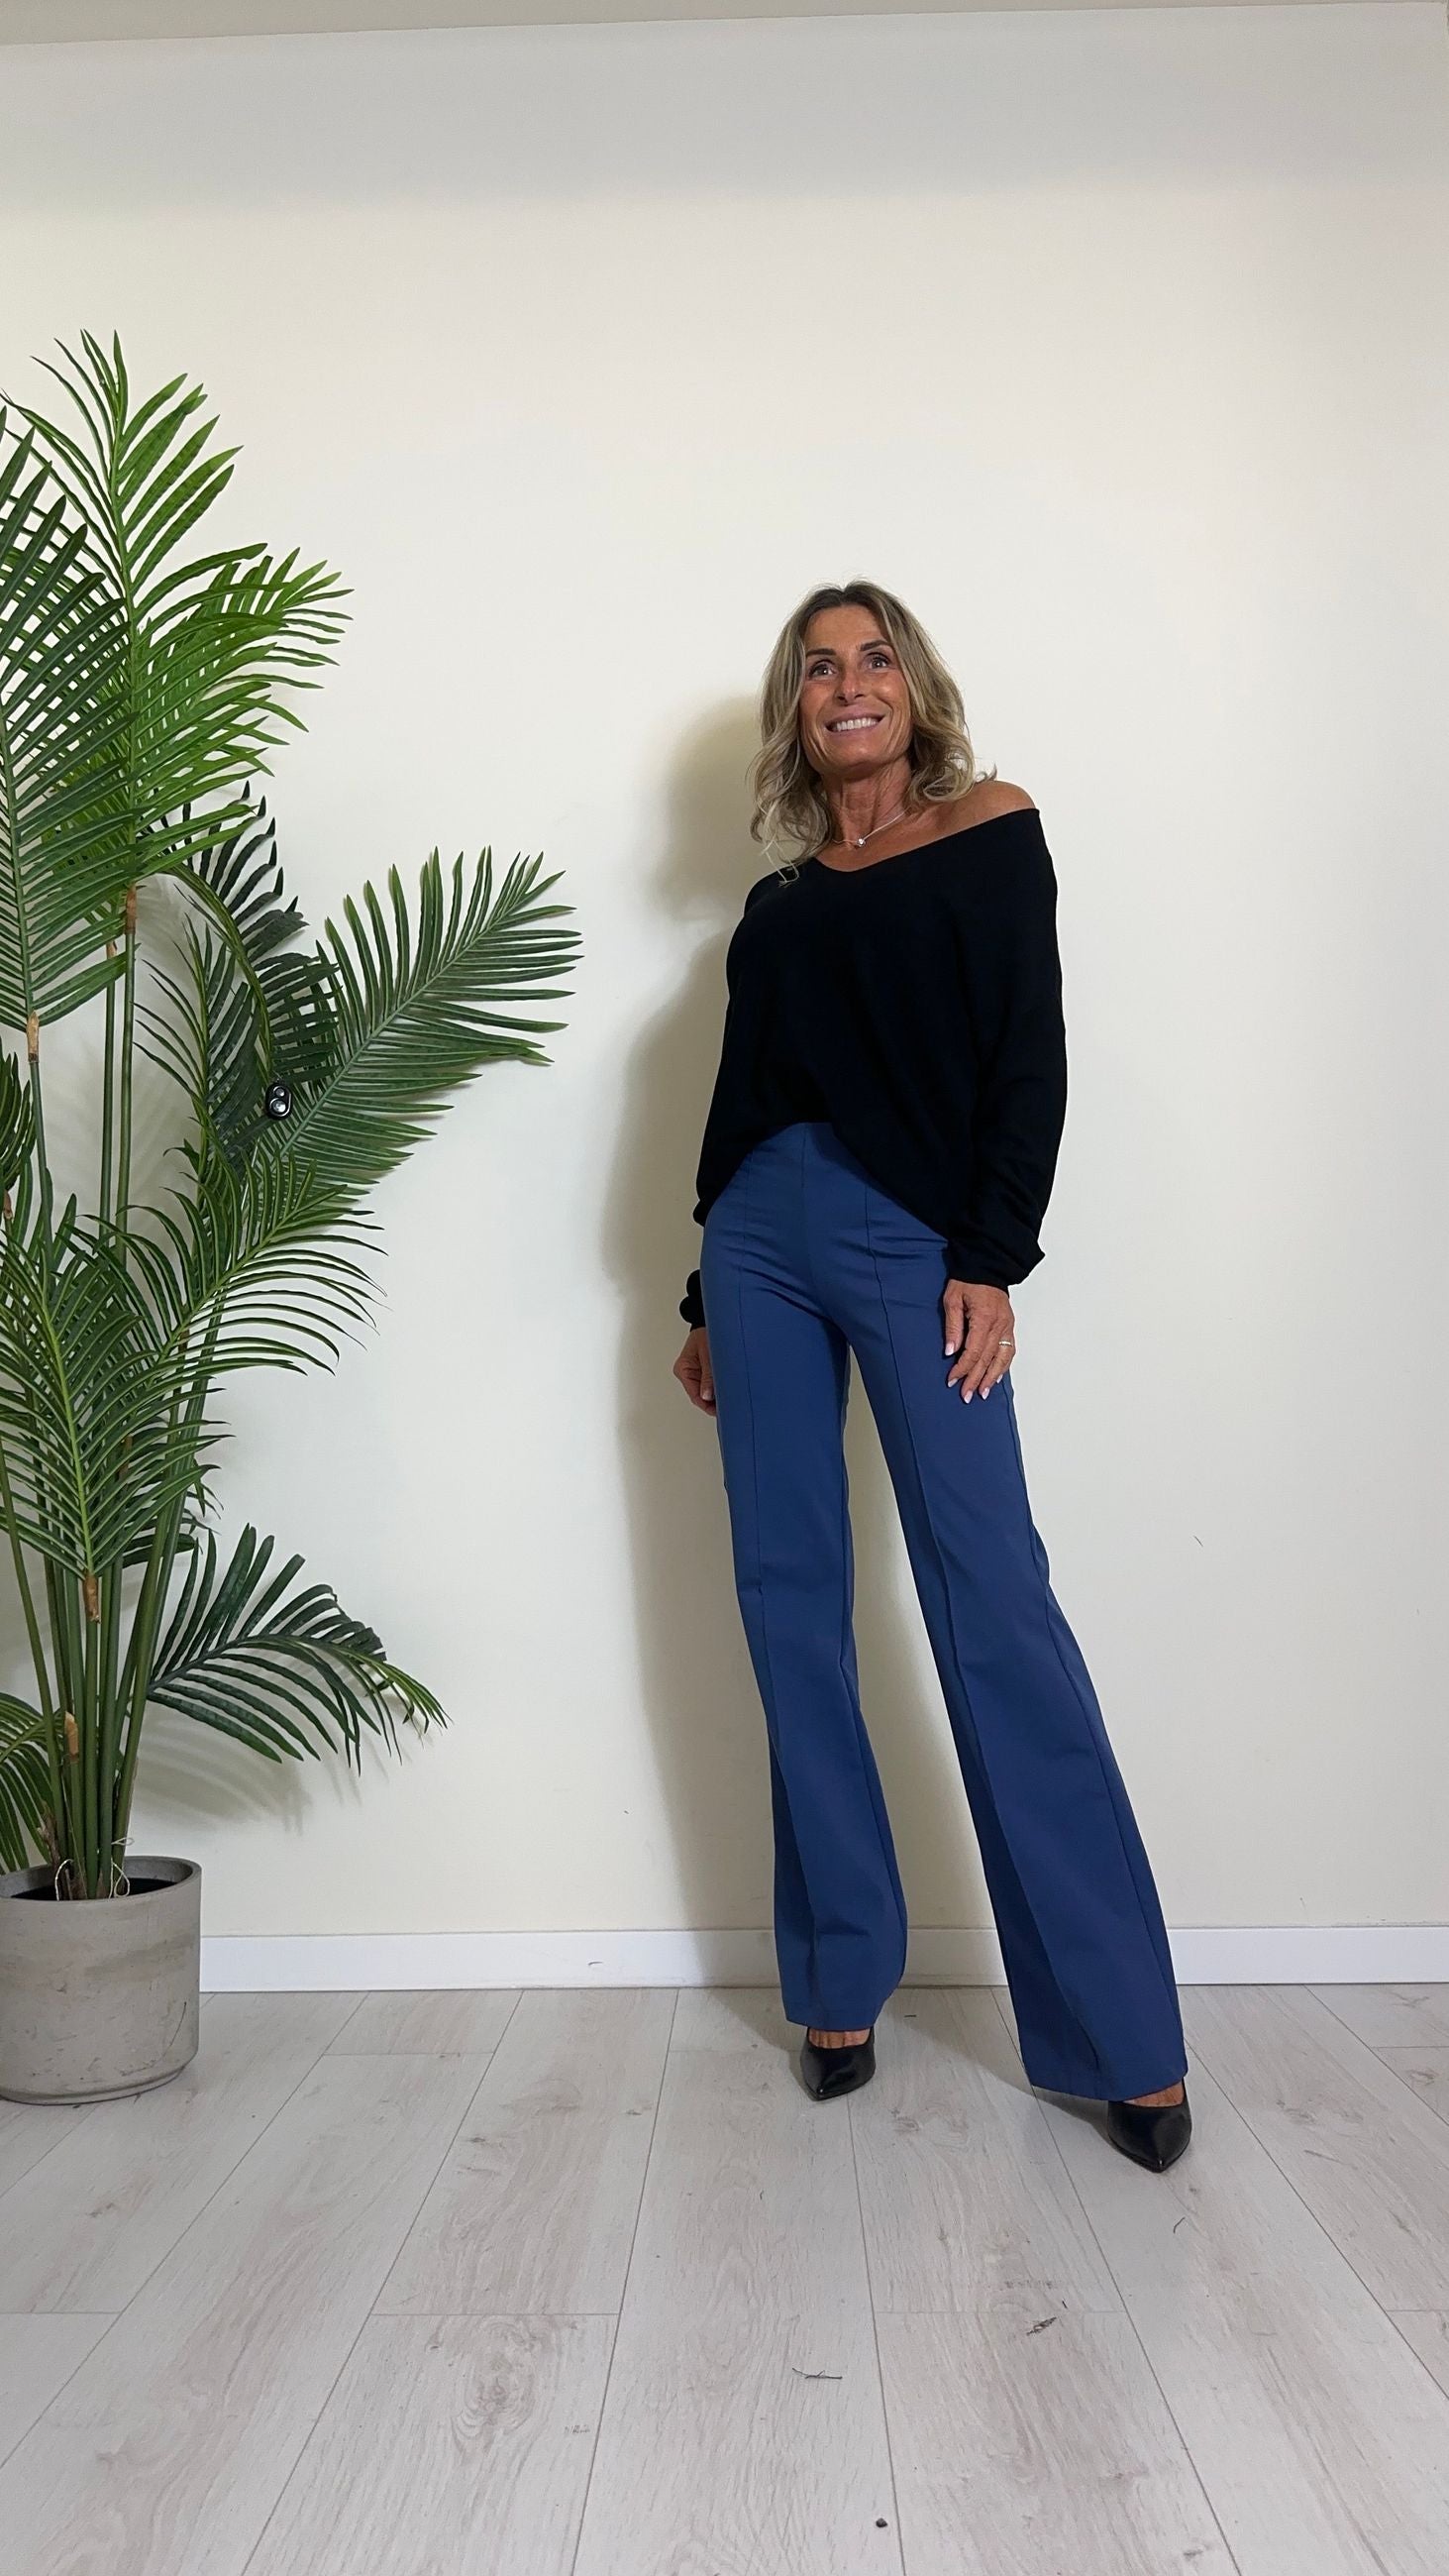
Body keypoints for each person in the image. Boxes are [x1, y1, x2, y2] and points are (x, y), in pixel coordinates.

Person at [672, 579, 1190, 2174]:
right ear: (796, 709)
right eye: (820, 666)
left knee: (993, 1598)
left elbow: (1027, 1049)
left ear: (913, 689)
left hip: (915, 1243)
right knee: (789, 1596)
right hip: (758, 1246)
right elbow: (743, 1098)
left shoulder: (989, 827)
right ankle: (838, 1982)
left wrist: (991, 1254)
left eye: (875, 657)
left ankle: (1122, 2035)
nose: (850, 682)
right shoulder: (778, 905)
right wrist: (703, 1293)